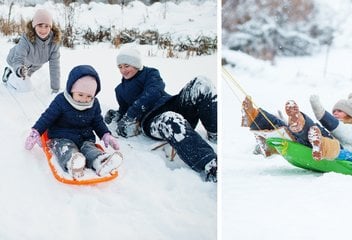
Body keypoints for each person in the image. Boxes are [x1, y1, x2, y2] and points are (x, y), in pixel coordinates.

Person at [104, 47, 217, 181]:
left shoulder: (150, 73)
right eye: (120, 67)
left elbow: (155, 90)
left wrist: (132, 112)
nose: (123, 70)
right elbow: (124, 110)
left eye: (126, 65)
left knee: (202, 83)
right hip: (153, 121)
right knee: (170, 120)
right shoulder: (120, 90)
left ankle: (214, 133)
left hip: (174, 104)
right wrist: (117, 115)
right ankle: (210, 165)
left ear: (136, 64)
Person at [24, 65, 123, 179]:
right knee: (66, 149)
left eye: (89, 96)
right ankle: (73, 163)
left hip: (85, 137)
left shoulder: (94, 104)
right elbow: (47, 117)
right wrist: (36, 131)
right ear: (71, 90)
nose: (84, 99)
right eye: (80, 94)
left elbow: (98, 121)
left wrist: (105, 134)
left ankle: (100, 162)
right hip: (61, 136)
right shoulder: (61, 100)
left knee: (89, 149)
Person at [2, 9, 61, 93]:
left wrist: (55, 89)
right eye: (40, 25)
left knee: (25, 81)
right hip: (16, 62)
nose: (43, 30)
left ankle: (19, 77)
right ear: (34, 25)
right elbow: (18, 59)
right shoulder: (26, 38)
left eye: (46, 26)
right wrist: (19, 70)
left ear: (51, 27)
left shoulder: (54, 42)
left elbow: (55, 66)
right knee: (26, 88)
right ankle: (8, 75)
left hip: (32, 67)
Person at [307, 93, 352, 160]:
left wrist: (321, 113)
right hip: (331, 151)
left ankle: (317, 142)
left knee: (327, 139)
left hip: (341, 155)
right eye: (334, 111)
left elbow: (338, 128)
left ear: (350, 115)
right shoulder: (341, 125)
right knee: (314, 129)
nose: (335, 113)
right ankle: (298, 126)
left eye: (339, 111)